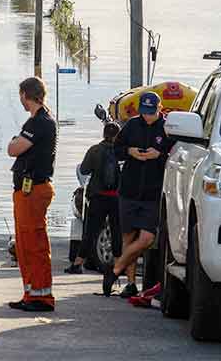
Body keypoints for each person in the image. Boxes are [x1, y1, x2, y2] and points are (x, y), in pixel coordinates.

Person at [103, 92, 176, 298]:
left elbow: (176, 158)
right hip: (130, 188)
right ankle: (131, 283)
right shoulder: (132, 125)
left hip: (153, 191)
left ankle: (115, 269)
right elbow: (116, 149)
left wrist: (158, 155)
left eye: (151, 113)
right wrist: (130, 152)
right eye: (144, 112)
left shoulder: (167, 129)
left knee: (146, 238)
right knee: (128, 236)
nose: (147, 117)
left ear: (159, 109)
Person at [5, 77, 57, 312]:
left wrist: (14, 141)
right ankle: (31, 293)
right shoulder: (39, 120)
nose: (21, 100)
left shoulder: (39, 123)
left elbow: (13, 149)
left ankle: (40, 296)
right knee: (25, 245)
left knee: (33, 243)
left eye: (21, 96)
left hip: (33, 190)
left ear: (26, 94)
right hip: (29, 189)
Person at [73, 122, 124, 275]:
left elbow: (84, 169)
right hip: (116, 198)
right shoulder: (121, 152)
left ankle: (77, 264)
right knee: (117, 232)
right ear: (118, 136)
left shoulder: (95, 150)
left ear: (103, 134)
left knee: (90, 232)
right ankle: (116, 267)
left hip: (97, 197)